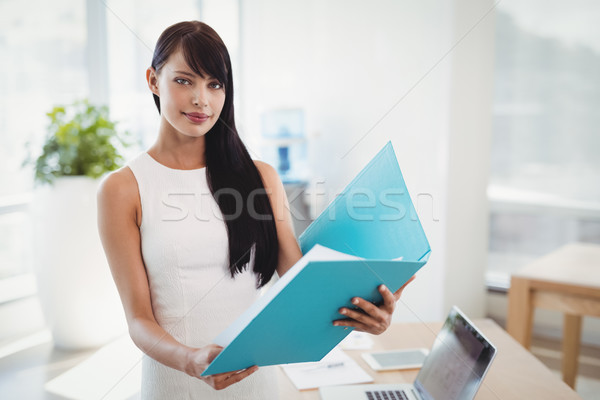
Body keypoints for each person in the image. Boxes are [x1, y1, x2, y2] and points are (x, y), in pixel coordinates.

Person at [97, 20, 414, 399]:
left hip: (257, 385)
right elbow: (138, 321)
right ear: (153, 80)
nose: (202, 99)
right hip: (175, 384)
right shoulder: (122, 189)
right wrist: (191, 360)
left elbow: (299, 285)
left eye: (215, 84)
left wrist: (364, 311)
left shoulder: (260, 177)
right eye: (185, 81)